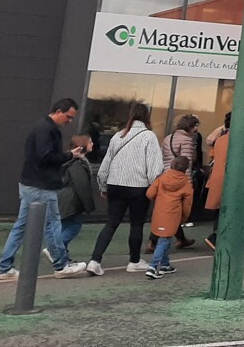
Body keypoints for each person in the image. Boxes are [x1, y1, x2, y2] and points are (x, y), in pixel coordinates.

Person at [0, 98, 88, 280]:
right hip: (41, 186)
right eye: (68, 117)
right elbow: (46, 157)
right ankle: (61, 265)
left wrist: (67, 155)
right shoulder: (47, 129)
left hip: (31, 184)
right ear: (58, 111)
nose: (69, 121)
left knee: (21, 227)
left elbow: (43, 156)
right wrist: (69, 155)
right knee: (52, 225)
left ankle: (4, 267)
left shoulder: (42, 127)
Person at [87, 102, 164, 276]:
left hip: (115, 185)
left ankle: (95, 260)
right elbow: (155, 169)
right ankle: (134, 261)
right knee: (136, 224)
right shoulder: (149, 136)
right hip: (138, 187)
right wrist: (155, 188)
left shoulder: (118, 135)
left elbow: (105, 164)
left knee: (111, 223)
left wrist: (103, 186)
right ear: (147, 117)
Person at [157, 114, 201, 251]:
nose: (196, 130)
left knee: (169, 209)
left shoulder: (167, 138)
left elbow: (162, 158)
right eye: (195, 126)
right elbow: (186, 164)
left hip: (166, 176)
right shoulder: (187, 141)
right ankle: (155, 240)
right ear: (191, 127)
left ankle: (181, 239)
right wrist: (188, 184)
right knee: (176, 212)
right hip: (179, 180)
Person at [146, 157, 194, 278]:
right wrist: (183, 218)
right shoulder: (186, 184)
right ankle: (153, 267)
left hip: (159, 212)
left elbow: (150, 194)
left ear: (171, 165)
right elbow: (187, 206)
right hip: (173, 215)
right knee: (164, 240)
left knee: (164, 238)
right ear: (185, 169)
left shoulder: (161, 178)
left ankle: (165, 264)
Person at [56, 134, 97, 254]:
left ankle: (61, 256)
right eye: (90, 142)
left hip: (66, 199)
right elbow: (82, 185)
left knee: (65, 226)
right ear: (82, 145)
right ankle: (56, 250)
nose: (92, 144)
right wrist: (88, 205)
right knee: (74, 226)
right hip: (71, 201)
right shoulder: (78, 163)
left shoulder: (72, 161)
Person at [204, 112, 232, 249]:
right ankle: (217, 238)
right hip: (229, 179)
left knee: (219, 210)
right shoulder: (238, 141)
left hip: (216, 178)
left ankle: (216, 237)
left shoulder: (220, 140)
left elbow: (212, 153)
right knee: (230, 209)